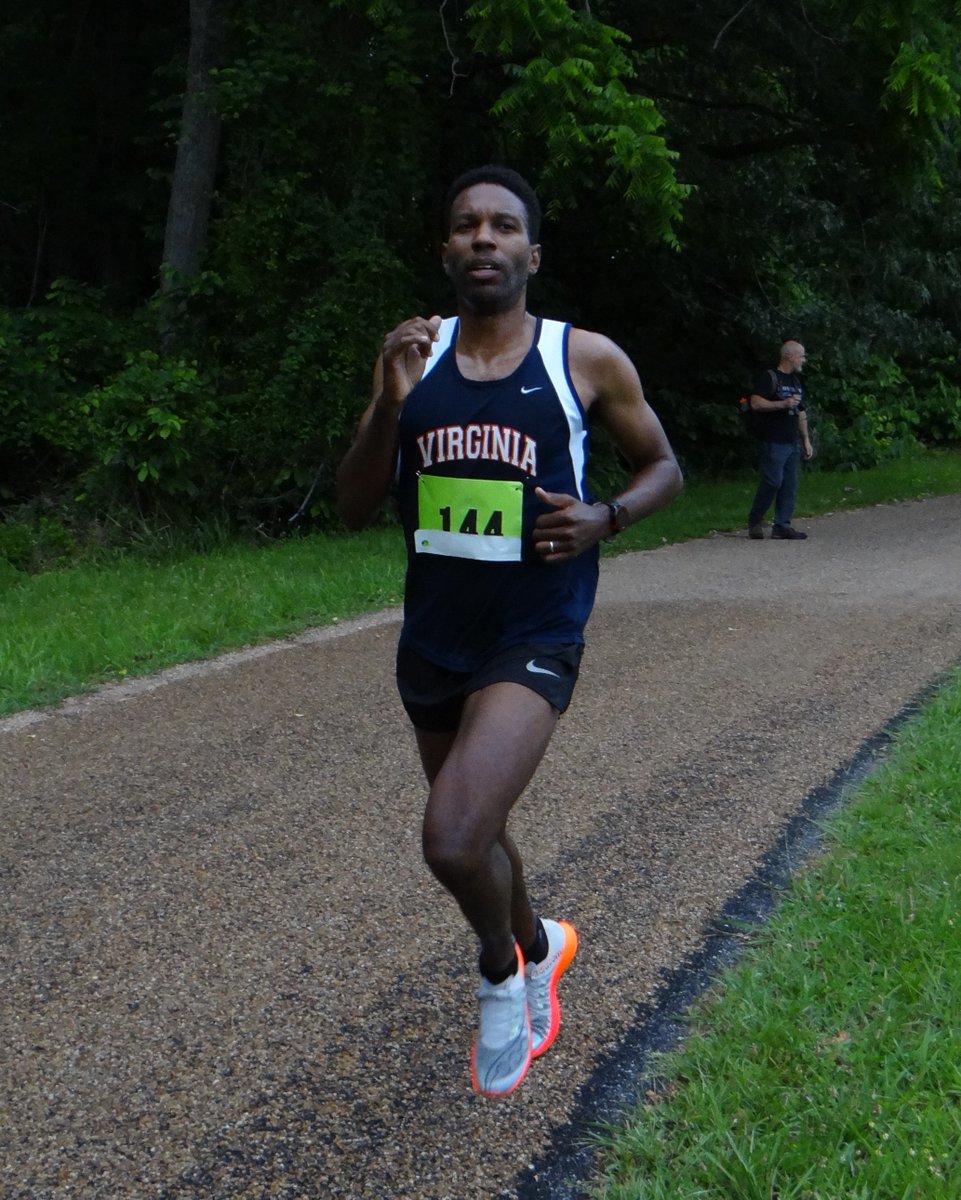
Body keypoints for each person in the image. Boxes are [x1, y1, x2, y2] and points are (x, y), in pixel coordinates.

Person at [336, 165, 682, 1099]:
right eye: (464, 226)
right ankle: (539, 945)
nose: (482, 239)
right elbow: (354, 502)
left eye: (501, 227)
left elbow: (663, 468)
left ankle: (499, 973)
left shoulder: (583, 358)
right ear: (445, 251)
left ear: (532, 252)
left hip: (536, 630)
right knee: (481, 827)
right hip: (435, 637)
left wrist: (606, 517)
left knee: (452, 837)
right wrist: (387, 405)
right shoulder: (414, 354)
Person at [746, 340, 814, 539]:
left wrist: (806, 440)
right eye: (801, 355)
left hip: (792, 441)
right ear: (789, 356)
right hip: (773, 440)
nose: (803, 359)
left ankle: (782, 525)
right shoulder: (770, 378)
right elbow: (756, 403)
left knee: (789, 485)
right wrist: (782, 404)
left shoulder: (795, 381)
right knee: (773, 481)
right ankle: (755, 519)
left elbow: (801, 412)